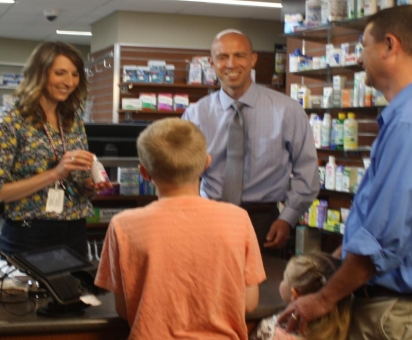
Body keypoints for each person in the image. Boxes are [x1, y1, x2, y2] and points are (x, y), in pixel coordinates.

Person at [279, 6, 412, 339]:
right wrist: (336, 259)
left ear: (389, 45)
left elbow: (384, 239)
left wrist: (324, 298)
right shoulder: (399, 118)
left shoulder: (406, 123)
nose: (358, 56)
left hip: (389, 311)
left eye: (363, 45)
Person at [95, 118, 266, 340]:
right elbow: (248, 303)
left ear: (144, 173)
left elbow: (124, 309)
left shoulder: (123, 225)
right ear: (206, 162)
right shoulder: (238, 219)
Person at [182, 29, 319, 254]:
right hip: (210, 217)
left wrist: (288, 218)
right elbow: (184, 173)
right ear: (212, 62)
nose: (231, 64)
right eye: (222, 57)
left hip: (265, 222)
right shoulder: (195, 114)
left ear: (253, 59)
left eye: (239, 55)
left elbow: (307, 170)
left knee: (264, 288)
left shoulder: (288, 111)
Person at [0, 42, 111, 257]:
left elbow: (76, 181)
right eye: (60, 73)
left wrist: (88, 186)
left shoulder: (72, 119)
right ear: (39, 74)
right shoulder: (9, 120)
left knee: (72, 291)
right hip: (29, 232)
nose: (69, 82)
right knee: (31, 292)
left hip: (74, 228)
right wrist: (55, 174)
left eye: (75, 74)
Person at [250, 253, 350, 340]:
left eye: (284, 278)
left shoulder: (270, 329)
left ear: (295, 294)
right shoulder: (342, 330)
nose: (281, 281)